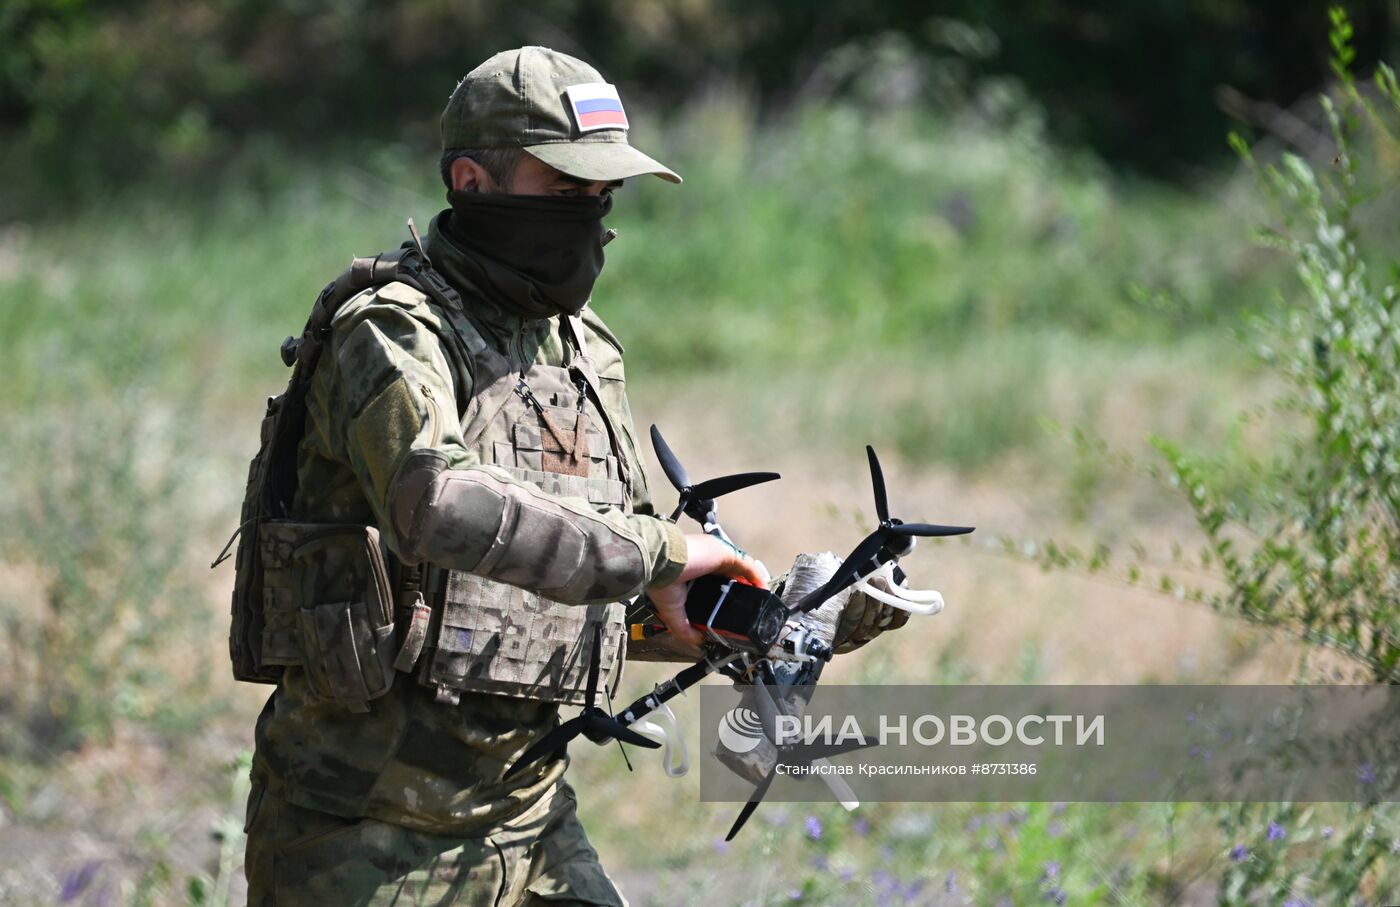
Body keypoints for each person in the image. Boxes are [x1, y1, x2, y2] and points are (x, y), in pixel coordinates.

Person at [240, 46, 904, 905]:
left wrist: (781, 623)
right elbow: (435, 505)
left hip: (532, 817)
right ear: (473, 180)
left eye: (602, 195)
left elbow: (609, 591)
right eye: (565, 192)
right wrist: (664, 549)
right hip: (366, 835)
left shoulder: (583, 348)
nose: (591, 217)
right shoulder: (394, 335)